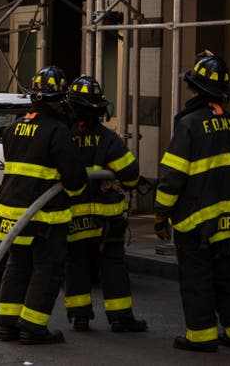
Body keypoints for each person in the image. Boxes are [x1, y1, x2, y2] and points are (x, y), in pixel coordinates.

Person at [154, 51, 230, 352]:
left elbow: (173, 176)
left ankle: (201, 337)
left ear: (194, 88)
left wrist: (161, 215)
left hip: (196, 220)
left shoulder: (189, 125)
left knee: (197, 278)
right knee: (227, 277)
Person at [0, 66, 87, 345]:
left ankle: (8, 325)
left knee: (17, 266)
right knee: (47, 269)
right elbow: (74, 178)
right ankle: (33, 328)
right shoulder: (57, 131)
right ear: (59, 99)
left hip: (11, 211)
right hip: (45, 216)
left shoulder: (13, 128)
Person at [63, 76, 147, 333]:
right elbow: (131, 173)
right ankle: (120, 318)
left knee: (76, 263)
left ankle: (79, 317)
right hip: (107, 219)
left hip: (73, 216)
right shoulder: (108, 139)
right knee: (112, 264)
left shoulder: (63, 136)